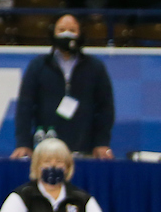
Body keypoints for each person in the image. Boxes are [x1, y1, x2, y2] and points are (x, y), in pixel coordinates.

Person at [11, 15, 115, 158]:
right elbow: (25, 106)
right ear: (53, 33)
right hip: (46, 147)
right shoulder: (39, 65)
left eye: (72, 30)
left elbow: (105, 108)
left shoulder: (95, 67)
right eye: (61, 29)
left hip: (85, 147)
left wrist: (102, 142)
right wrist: (23, 143)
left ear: (80, 34)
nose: (67, 34)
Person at [0, 139, 109, 212]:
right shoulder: (24, 194)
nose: (53, 166)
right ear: (37, 165)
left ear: (67, 167)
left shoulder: (81, 198)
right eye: (47, 161)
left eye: (59, 162)